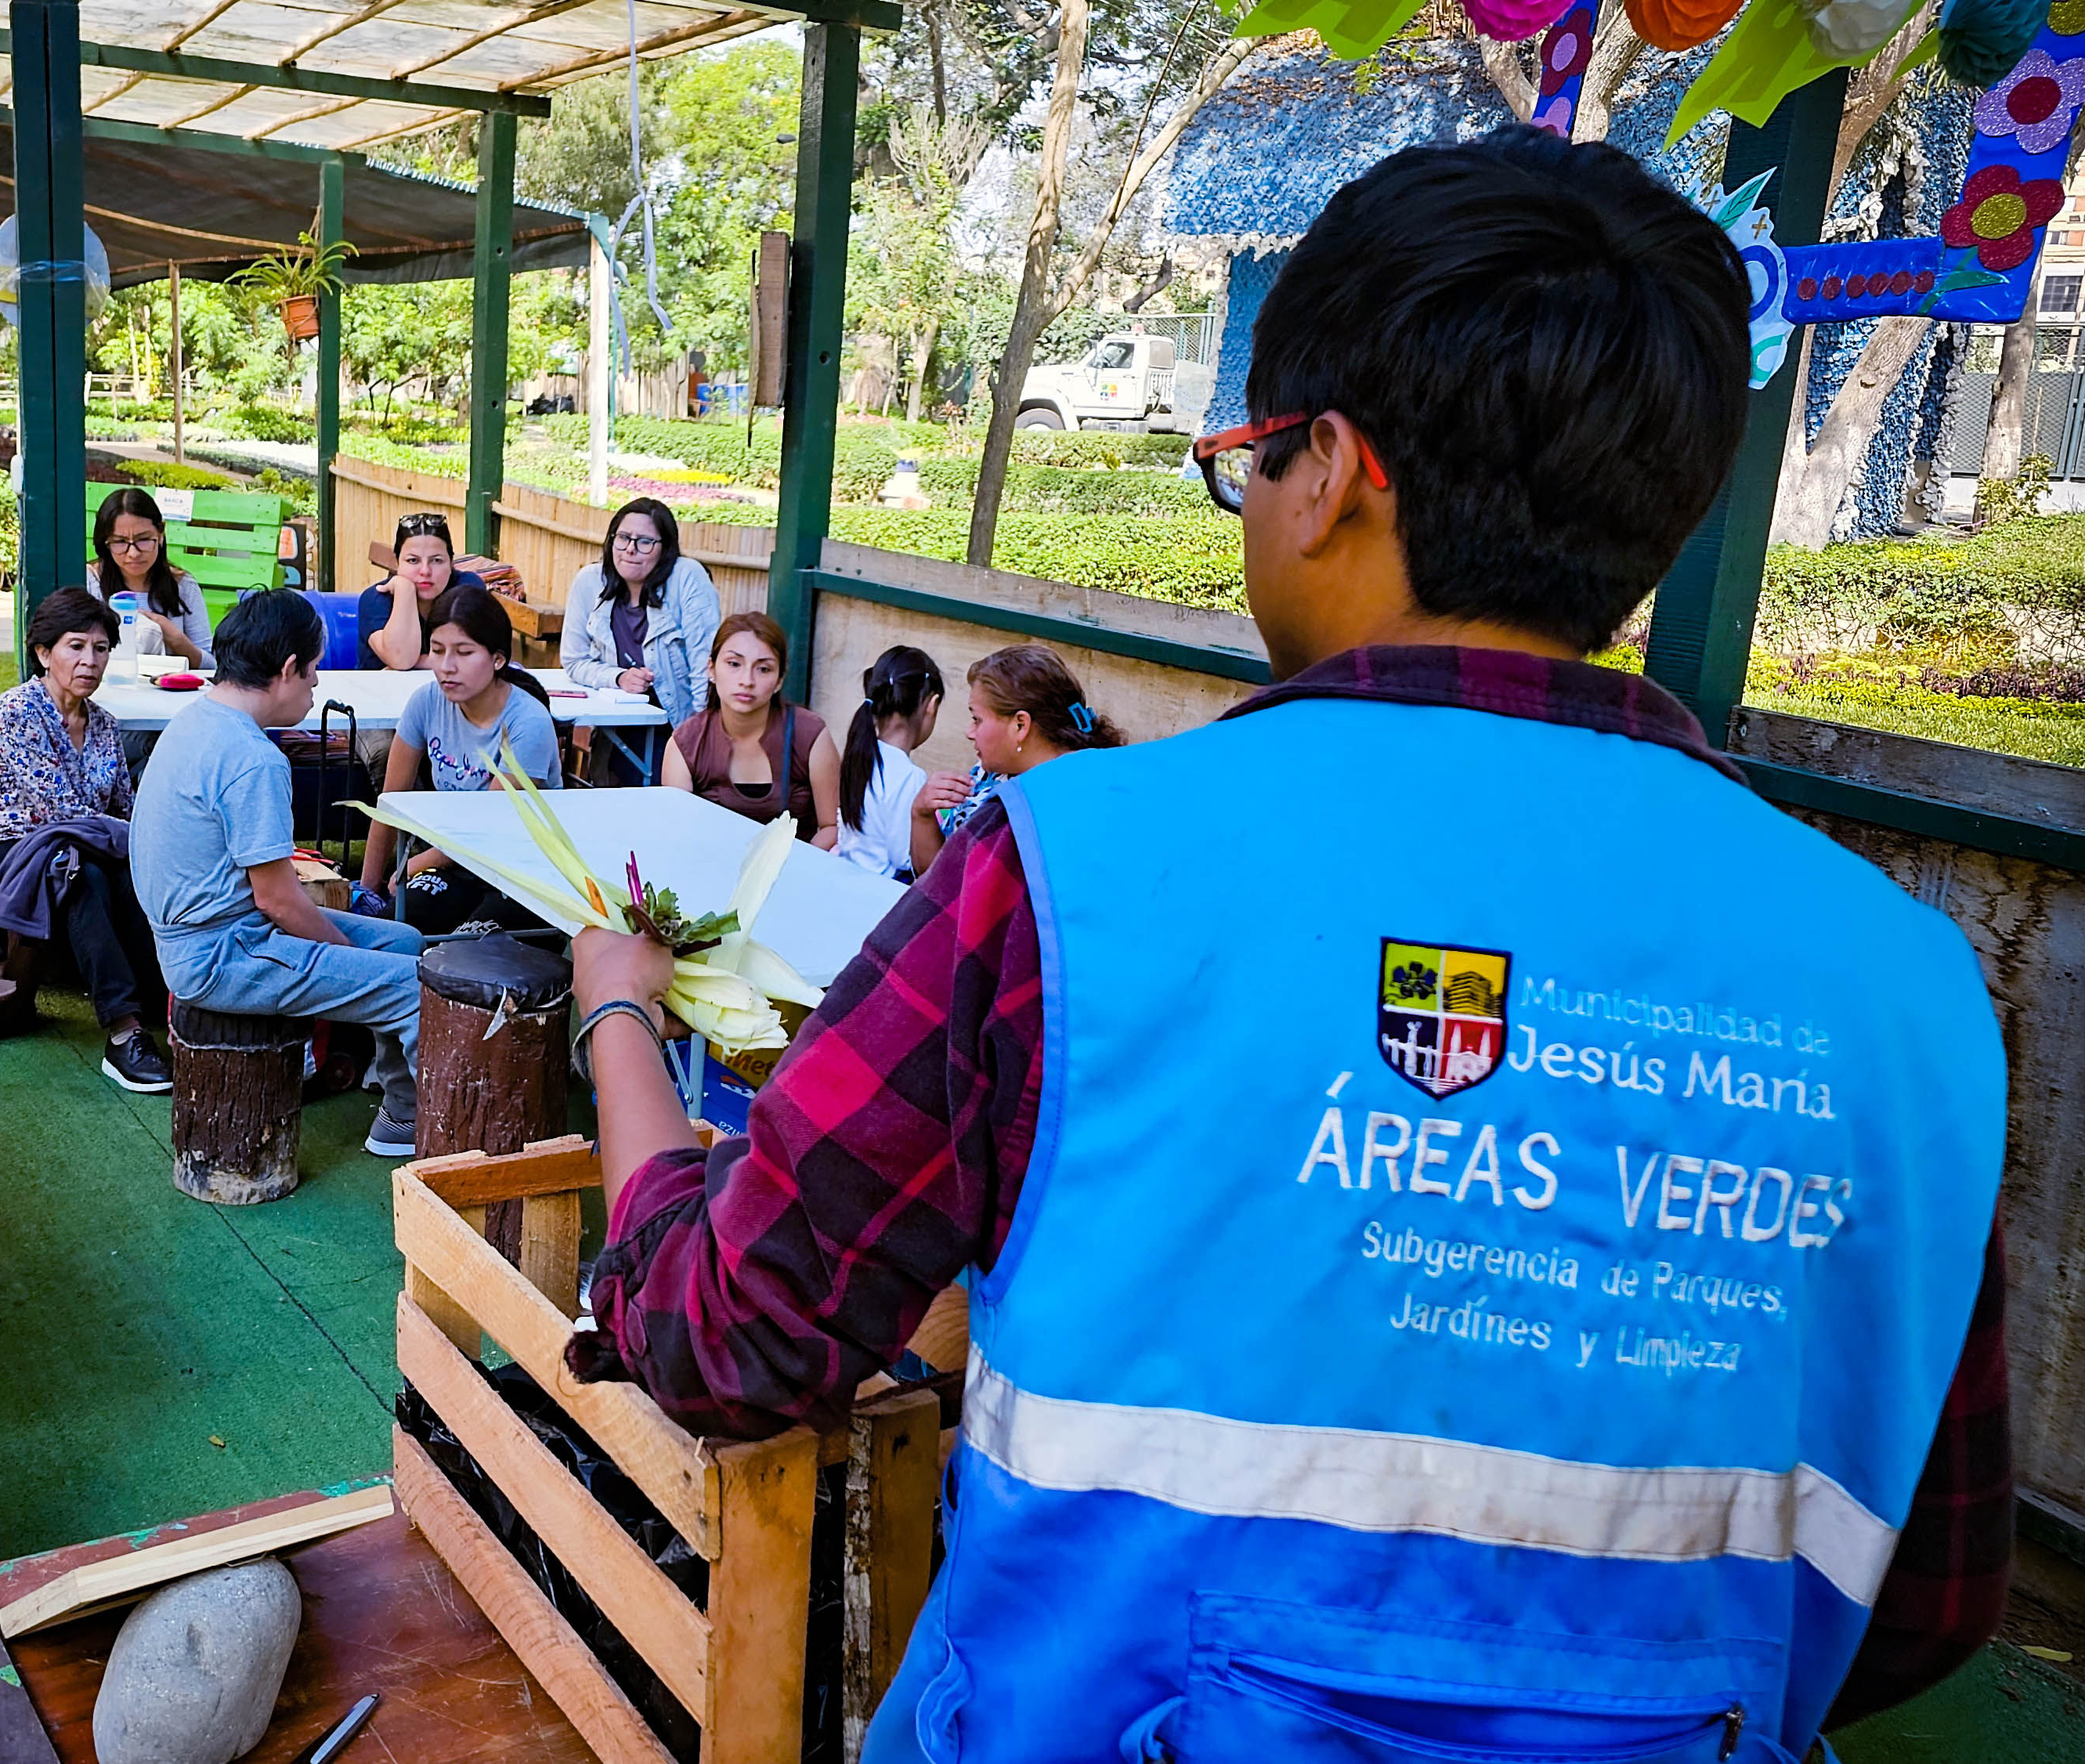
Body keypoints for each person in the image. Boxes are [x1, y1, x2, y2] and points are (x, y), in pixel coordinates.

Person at [565, 129, 2010, 1760]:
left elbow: (723, 1327)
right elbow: (1924, 1599)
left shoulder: (1060, 872)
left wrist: (620, 1017)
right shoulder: (1907, 990)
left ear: (1325, 467)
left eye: (1242, 460)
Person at [136, 591, 428, 1156]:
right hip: (221, 952)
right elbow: (279, 903)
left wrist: (353, 955)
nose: (316, 685)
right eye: (315, 670)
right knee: (412, 986)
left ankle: (397, 1109)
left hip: (210, 934)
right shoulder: (252, 758)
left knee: (406, 941)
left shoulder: (195, 718)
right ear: (289, 668)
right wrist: (350, 954)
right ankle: (435, 1132)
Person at [0, 587, 173, 1093]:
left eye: (100, 649)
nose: (89, 661)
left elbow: (125, 805)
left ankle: (169, 1000)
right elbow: (63, 812)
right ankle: (124, 1034)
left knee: (123, 868)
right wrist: (133, 838)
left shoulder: (103, 725)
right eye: (76, 646)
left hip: (78, 842)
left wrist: (150, 843)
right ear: (43, 652)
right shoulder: (18, 712)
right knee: (78, 869)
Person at [360, 585, 558, 934]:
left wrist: (416, 863)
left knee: (465, 956)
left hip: (521, 872)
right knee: (387, 934)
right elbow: (389, 803)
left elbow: (488, 829)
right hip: (455, 867)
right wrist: (367, 892)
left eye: (464, 653)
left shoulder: (528, 722)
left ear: (498, 659)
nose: (447, 667)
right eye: (437, 651)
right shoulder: (426, 702)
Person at [660, 612, 842, 845]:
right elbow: (678, 833)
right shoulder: (685, 745)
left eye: (763, 669)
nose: (747, 680)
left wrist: (796, 872)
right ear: (711, 669)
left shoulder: (811, 735)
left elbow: (832, 826)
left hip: (800, 872)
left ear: (779, 680)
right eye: (734, 664)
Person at [933, 642, 1123, 835]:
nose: (969, 733)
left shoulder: (1065, 801)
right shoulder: (993, 771)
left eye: (977, 720)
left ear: (1021, 725)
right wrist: (921, 815)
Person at [559, 497, 721, 723]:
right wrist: (618, 678)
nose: (631, 550)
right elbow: (574, 661)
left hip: (677, 723)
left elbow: (704, 668)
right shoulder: (589, 581)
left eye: (645, 542)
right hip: (615, 721)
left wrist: (698, 735)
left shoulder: (687, 577)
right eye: (623, 538)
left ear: (665, 548)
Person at [832, 645, 969, 882]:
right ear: (931, 706)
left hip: (847, 874)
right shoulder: (909, 776)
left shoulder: (859, 754)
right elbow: (905, 859)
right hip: (883, 889)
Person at [92, 486, 211, 668]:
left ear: (161, 535)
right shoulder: (91, 582)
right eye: (120, 542)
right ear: (106, 543)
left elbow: (211, 666)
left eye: (144, 540)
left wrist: (177, 640)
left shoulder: (183, 586)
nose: (133, 553)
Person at [359, 511, 486, 671]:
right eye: (413, 560)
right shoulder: (376, 598)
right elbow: (401, 659)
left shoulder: (467, 588)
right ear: (397, 563)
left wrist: (418, 663)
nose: (425, 571)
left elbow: (478, 653)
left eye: (437, 561)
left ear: (451, 563)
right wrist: (405, 590)